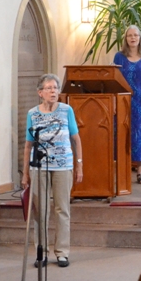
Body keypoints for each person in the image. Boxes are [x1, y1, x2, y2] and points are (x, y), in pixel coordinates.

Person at [21, 74, 83, 267]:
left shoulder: (67, 110)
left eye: (55, 88)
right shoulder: (32, 114)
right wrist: (25, 173)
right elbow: (28, 145)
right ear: (40, 93)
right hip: (39, 167)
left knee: (62, 209)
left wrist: (79, 165)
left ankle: (62, 252)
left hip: (63, 166)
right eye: (48, 88)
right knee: (41, 211)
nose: (53, 91)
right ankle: (42, 252)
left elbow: (76, 139)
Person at [114, 25, 141, 183]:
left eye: (136, 35)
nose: (133, 38)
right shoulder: (119, 57)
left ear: (140, 38)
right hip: (124, 102)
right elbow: (115, 79)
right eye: (130, 35)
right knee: (123, 135)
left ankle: (140, 172)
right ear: (125, 39)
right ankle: (123, 171)